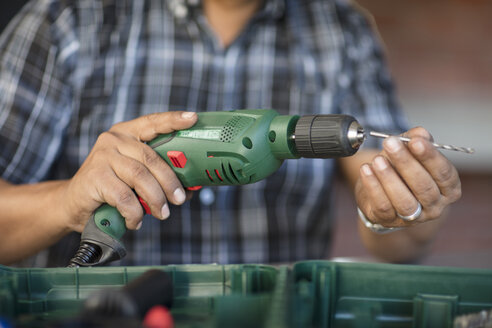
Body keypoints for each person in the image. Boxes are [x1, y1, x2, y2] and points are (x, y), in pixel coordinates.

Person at [0, 0, 461, 267]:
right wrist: (69, 202)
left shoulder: (342, 31)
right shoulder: (70, 19)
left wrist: (402, 208)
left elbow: (395, 227)